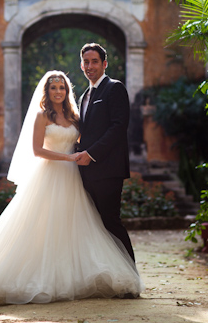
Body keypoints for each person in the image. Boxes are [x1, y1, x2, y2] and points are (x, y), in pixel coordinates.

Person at [0, 71, 143, 310]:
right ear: (47, 91)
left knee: (73, 225)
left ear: (67, 91)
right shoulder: (42, 116)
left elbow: (90, 136)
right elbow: (37, 151)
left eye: (62, 88)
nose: (58, 92)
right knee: (40, 226)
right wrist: (67, 157)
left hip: (73, 177)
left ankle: (71, 275)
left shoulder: (74, 116)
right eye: (53, 88)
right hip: (50, 174)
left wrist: (86, 156)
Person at [75, 43, 135, 263]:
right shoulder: (84, 96)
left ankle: (130, 275)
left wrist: (91, 154)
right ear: (81, 65)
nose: (90, 66)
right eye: (86, 62)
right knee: (94, 226)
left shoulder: (114, 88)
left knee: (111, 222)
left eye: (95, 61)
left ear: (104, 64)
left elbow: (118, 127)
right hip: (86, 172)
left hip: (108, 170)